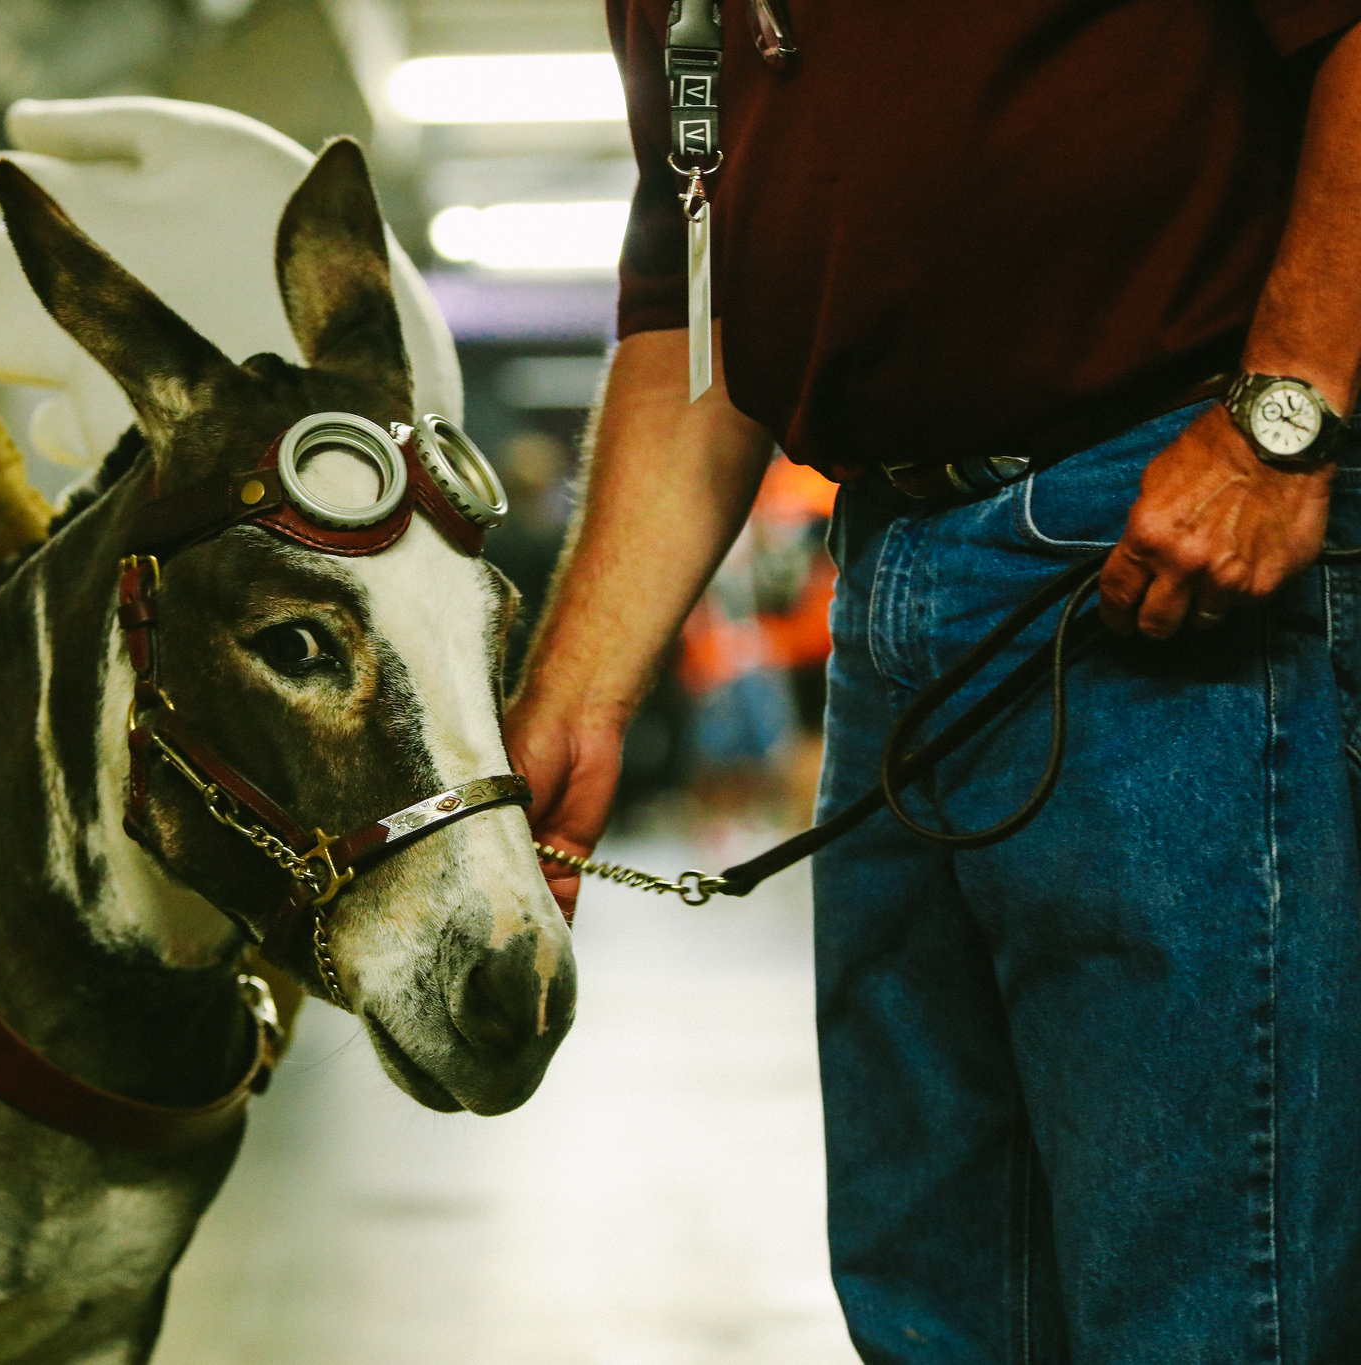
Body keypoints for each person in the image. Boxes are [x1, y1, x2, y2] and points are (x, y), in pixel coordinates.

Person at [504, 1, 1361, 1357]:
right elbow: (698, 304)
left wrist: (1285, 413)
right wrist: (579, 692)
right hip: (890, 568)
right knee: (937, 1298)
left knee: (1200, 1302)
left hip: (1144, 532)